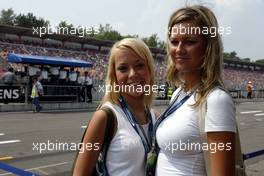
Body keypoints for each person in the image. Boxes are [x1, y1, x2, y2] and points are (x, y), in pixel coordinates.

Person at [155, 5, 237, 175]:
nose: (179, 49)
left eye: (190, 42)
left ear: (208, 47)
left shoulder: (216, 100)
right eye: (174, 41)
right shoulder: (179, 93)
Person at [72, 38, 159, 176]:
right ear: (114, 76)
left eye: (140, 65)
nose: (132, 74)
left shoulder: (156, 117)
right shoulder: (105, 116)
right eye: (123, 68)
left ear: (150, 69)